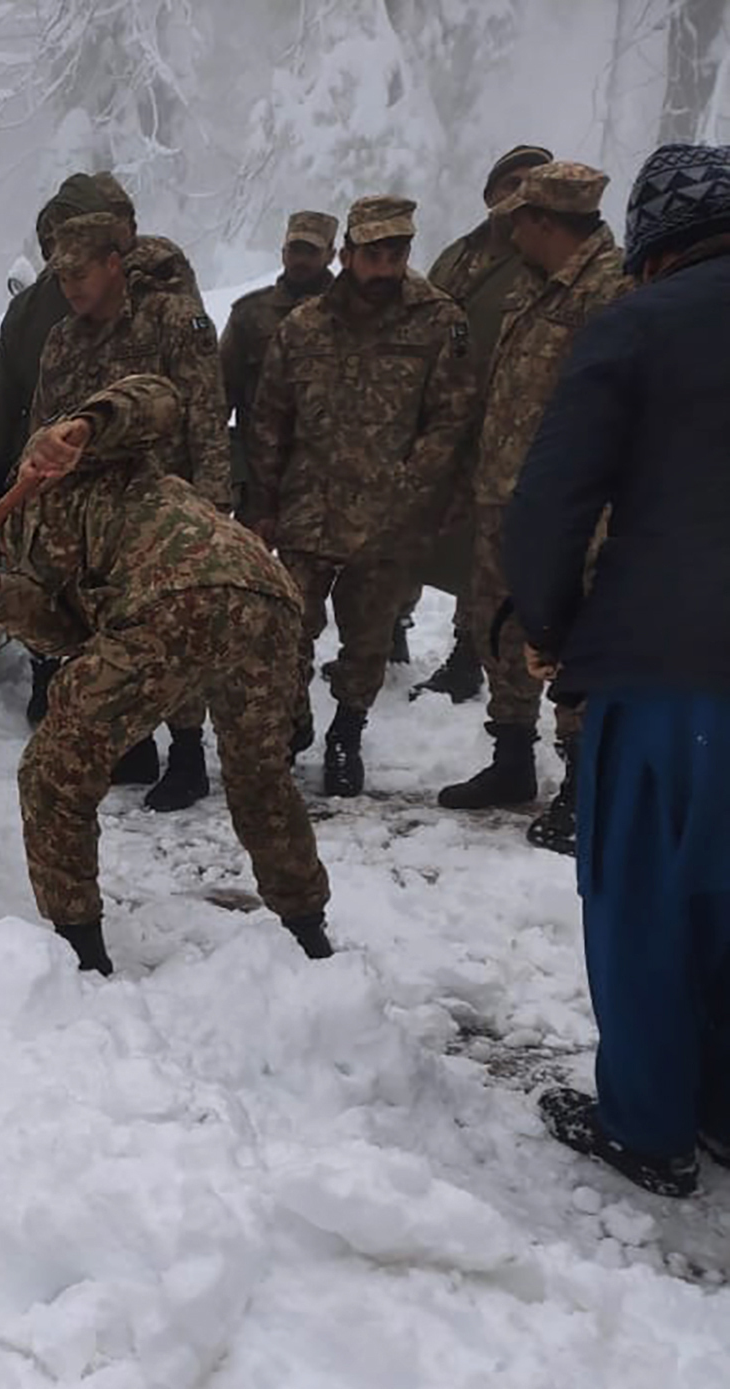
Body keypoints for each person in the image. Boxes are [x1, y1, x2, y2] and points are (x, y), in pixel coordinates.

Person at [0, 375, 333, 975]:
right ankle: (311, 940)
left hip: (177, 591)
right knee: (260, 778)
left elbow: (158, 398)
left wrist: (83, 426)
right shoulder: (17, 547)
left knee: (52, 773)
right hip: (262, 593)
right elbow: (70, 629)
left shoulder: (52, 467)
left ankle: (81, 959)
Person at [509, 142, 730, 1200]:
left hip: (666, 671)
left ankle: (648, 1124)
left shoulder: (634, 328)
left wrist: (547, 626)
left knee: (644, 897)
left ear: (652, 245)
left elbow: (551, 501)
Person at [247, 195, 475, 797]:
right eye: (371, 254)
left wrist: (413, 485)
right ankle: (290, 720)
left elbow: (451, 419)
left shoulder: (437, 321)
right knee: (285, 627)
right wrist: (263, 503)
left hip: (388, 517)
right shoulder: (304, 326)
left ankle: (346, 732)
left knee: (367, 639)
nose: (383, 266)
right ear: (346, 255)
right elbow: (269, 417)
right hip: (307, 509)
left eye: (395, 253)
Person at [436, 162, 630, 847]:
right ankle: (512, 758)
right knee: (499, 626)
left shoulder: (614, 291)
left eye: (518, 217)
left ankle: (582, 785)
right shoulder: (530, 289)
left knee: (571, 636)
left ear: (544, 222)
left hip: (576, 508)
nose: (507, 228)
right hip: (503, 497)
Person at [32, 210, 233, 811]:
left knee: (175, 630)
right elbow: (47, 419)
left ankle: (189, 752)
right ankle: (135, 742)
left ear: (114, 264)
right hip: (96, 518)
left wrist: (215, 504)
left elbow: (206, 413)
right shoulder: (64, 339)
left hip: (171, 509)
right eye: (61, 279)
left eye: (81, 275)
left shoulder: (171, 320)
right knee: (112, 626)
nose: (71, 289)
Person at [0, 173, 114, 731]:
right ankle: (50, 682)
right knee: (48, 583)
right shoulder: (29, 312)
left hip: (105, 480)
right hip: (42, 480)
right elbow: (4, 395)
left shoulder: (143, 303)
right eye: (54, 236)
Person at [414, 144, 557, 701]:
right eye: (509, 181)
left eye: (531, 182)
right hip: (449, 415)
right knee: (434, 530)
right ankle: (389, 627)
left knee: (488, 548)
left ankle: (469, 650)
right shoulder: (458, 254)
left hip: (510, 422)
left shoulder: (541, 259)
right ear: (490, 192)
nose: (517, 191)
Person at [218, 210, 338, 524]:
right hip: (259, 479)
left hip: (327, 484)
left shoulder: (350, 315)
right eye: (294, 250)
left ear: (331, 255)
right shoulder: (250, 314)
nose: (300, 259)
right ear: (283, 252)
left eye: (310, 252)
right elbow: (219, 396)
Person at [90, 172, 203, 302]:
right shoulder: (78, 271)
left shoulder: (162, 253)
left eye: (122, 214)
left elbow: (194, 313)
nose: (118, 225)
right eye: (108, 219)